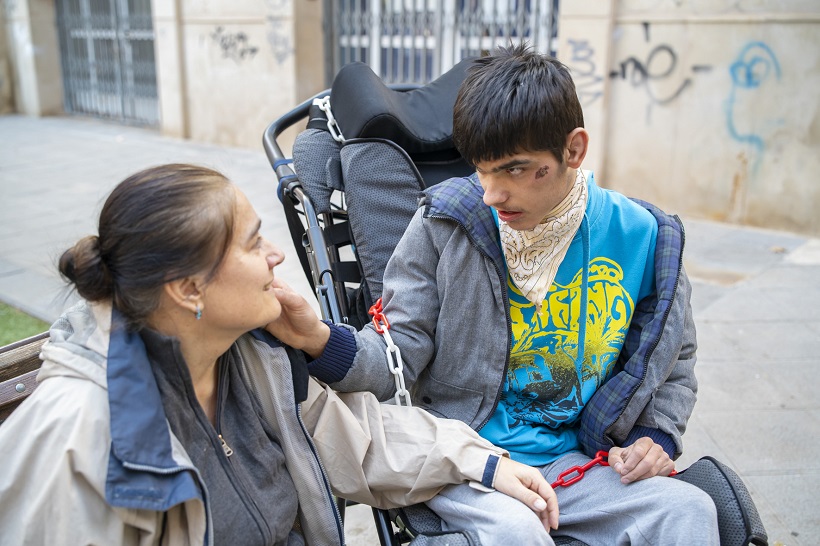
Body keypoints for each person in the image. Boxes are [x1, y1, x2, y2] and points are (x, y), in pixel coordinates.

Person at [270, 44, 720, 545]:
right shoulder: (449, 224)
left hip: (574, 463)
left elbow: (676, 359)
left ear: (573, 150)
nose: (491, 193)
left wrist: (658, 434)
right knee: (516, 531)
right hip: (463, 458)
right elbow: (398, 353)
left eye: (514, 170)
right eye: (482, 170)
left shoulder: (648, 237)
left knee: (690, 511)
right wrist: (317, 338)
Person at [0, 163, 560, 545]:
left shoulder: (250, 358)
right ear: (188, 289)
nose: (274, 256)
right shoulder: (81, 434)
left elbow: (353, 437)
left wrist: (482, 461)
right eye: (251, 243)